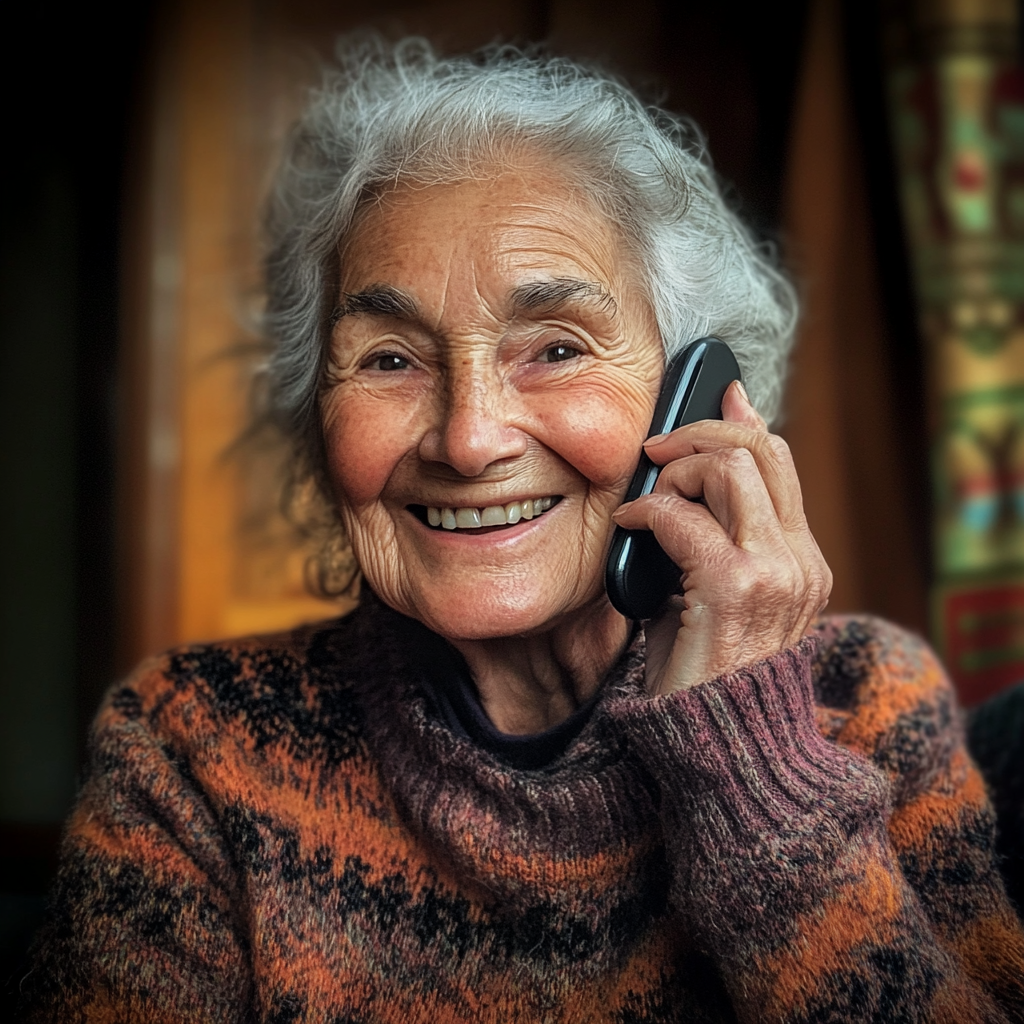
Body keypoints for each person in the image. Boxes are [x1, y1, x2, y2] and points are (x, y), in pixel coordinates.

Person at [20, 38, 1024, 1023]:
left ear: (697, 407)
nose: (466, 438)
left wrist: (749, 776)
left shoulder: (865, 702)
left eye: (553, 347)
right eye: (386, 360)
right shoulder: (193, 745)